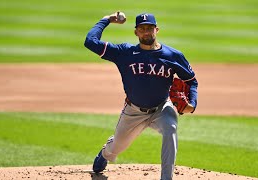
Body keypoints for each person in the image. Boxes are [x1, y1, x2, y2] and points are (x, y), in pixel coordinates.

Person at [84, 11, 198, 180]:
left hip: (162, 107)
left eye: (150, 28)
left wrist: (192, 104)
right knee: (116, 147)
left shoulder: (172, 56)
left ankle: (166, 178)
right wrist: (106, 19)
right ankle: (105, 154)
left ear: (156, 30)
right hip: (133, 111)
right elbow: (90, 42)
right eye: (142, 28)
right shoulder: (124, 52)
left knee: (171, 128)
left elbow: (191, 81)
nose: (146, 31)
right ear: (136, 32)